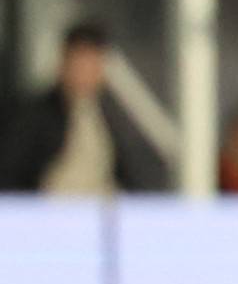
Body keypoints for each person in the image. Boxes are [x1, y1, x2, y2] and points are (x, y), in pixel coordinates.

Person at [0, 23, 159, 194]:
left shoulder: (109, 115)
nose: (86, 72)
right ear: (64, 63)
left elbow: (131, 174)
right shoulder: (34, 115)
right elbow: (11, 173)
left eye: (94, 64)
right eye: (80, 63)